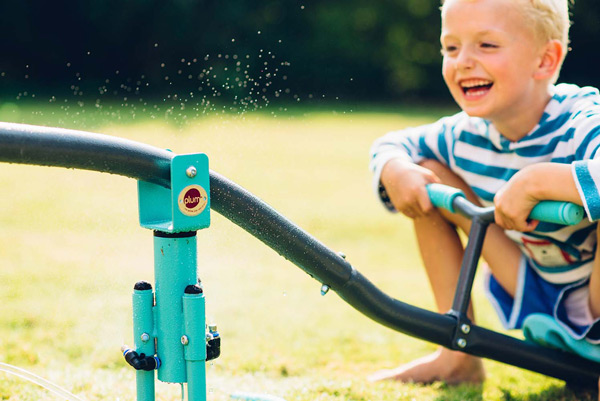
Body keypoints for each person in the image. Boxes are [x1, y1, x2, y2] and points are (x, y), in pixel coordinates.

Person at [368, 0, 600, 388]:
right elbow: (392, 144)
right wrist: (394, 168)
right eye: (451, 47)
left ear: (545, 60)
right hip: (533, 288)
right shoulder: (462, 135)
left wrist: (535, 182)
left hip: (594, 290)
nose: (463, 61)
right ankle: (456, 355)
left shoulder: (582, 118)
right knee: (428, 170)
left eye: (486, 46)